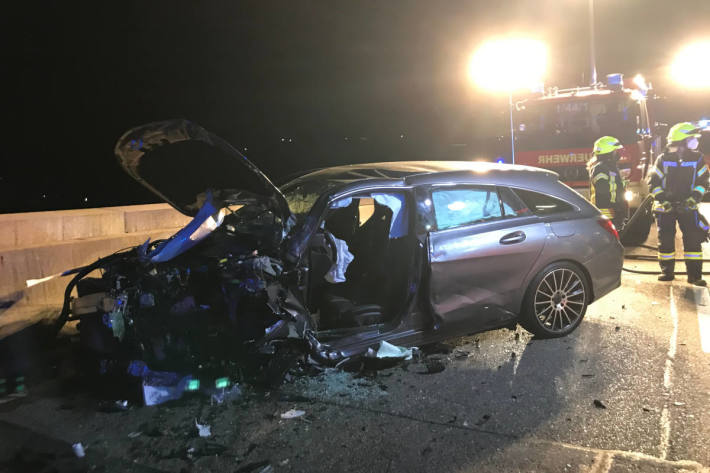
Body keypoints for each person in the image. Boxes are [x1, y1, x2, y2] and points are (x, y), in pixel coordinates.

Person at [648, 122, 709, 285]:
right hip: (665, 208)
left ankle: (695, 276)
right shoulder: (663, 159)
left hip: (688, 206)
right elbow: (653, 184)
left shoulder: (697, 159)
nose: (695, 141)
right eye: (691, 138)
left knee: (693, 239)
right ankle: (667, 272)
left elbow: (703, 182)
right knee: (665, 240)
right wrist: (664, 201)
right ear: (682, 141)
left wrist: (693, 198)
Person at [588, 136, 627, 230]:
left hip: (613, 211)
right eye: (615, 151)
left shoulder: (609, 167)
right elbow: (602, 189)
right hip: (606, 213)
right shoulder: (600, 168)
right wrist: (615, 209)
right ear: (608, 153)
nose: (617, 154)